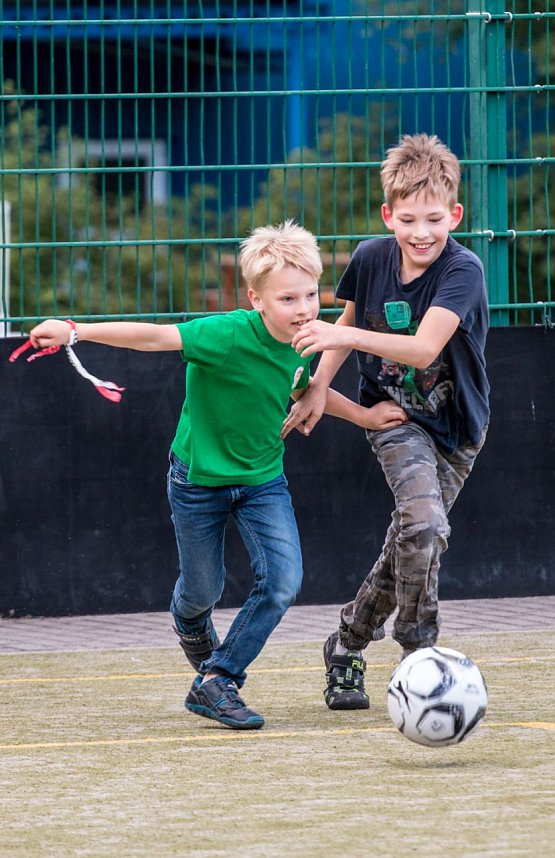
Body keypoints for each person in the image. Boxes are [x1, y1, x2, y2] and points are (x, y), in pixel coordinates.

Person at [29, 220, 407, 730]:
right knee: (203, 591)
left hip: (262, 481)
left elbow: (301, 388)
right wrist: (76, 331)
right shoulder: (225, 334)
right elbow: (154, 337)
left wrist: (363, 416)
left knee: (283, 582)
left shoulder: (305, 343)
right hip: (197, 483)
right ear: (256, 299)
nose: (303, 309)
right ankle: (189, 623)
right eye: (287, 299)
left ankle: (218, 679)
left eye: (309, 295)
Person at [282, 135, 490, 711]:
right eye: (408, 219)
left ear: (455, 215)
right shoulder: (371, 257)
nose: (421, 232)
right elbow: (345, 328)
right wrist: (318, 387)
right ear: (387, 215)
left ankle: (346, 644)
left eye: (434, 219)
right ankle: (420, 655)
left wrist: (342, 333)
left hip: (457, 429)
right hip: (393, 417)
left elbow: (422, 349)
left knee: (414, 537)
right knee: (423, 525)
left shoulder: (463, 270)